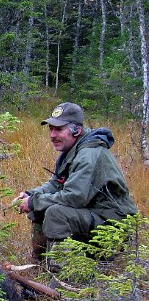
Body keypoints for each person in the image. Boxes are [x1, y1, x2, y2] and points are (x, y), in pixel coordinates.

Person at [15, 102, 137, 267]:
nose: (52, 135)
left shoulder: (88, 154)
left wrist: (34, 202)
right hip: (94, 213)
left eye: (58, 129)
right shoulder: (73, 149)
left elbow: (74, 197)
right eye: (50, 129)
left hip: (114, 225)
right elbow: (55, 184)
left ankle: (62, 276)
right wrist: (31, 194)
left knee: (56, 213)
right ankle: (39, 264)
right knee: (40, 206)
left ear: (76, 130)